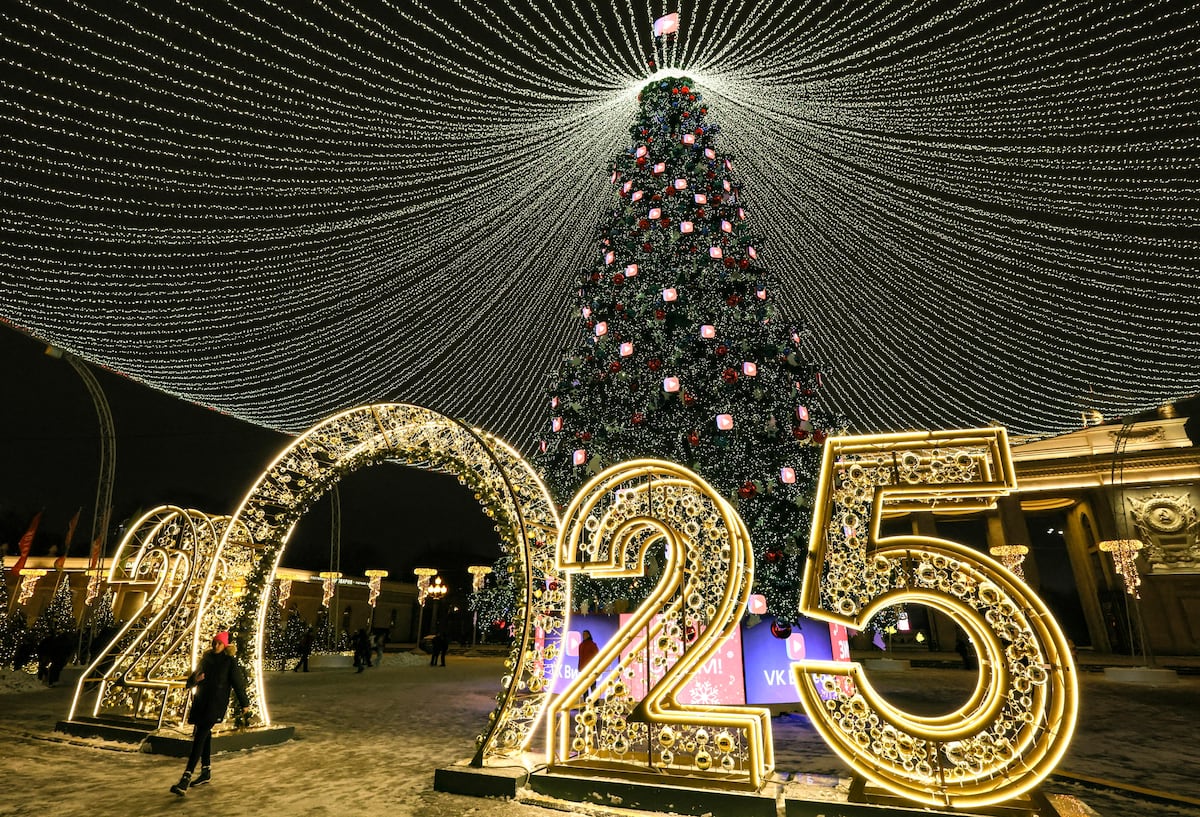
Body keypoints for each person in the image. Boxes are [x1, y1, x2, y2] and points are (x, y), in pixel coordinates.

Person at [171, 631, 250, 796]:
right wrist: (195, 680)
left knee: (200, 736)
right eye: (214, 642)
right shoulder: (205, 660)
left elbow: (238, 683)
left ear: (225, 646)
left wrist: (245, 704)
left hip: (215, 705)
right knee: (204, 736)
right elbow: (190, 680)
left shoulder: (229, 662)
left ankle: (186, 778)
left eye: (219, 643)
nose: (216, 646)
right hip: (201, 703)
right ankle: (206, 771)